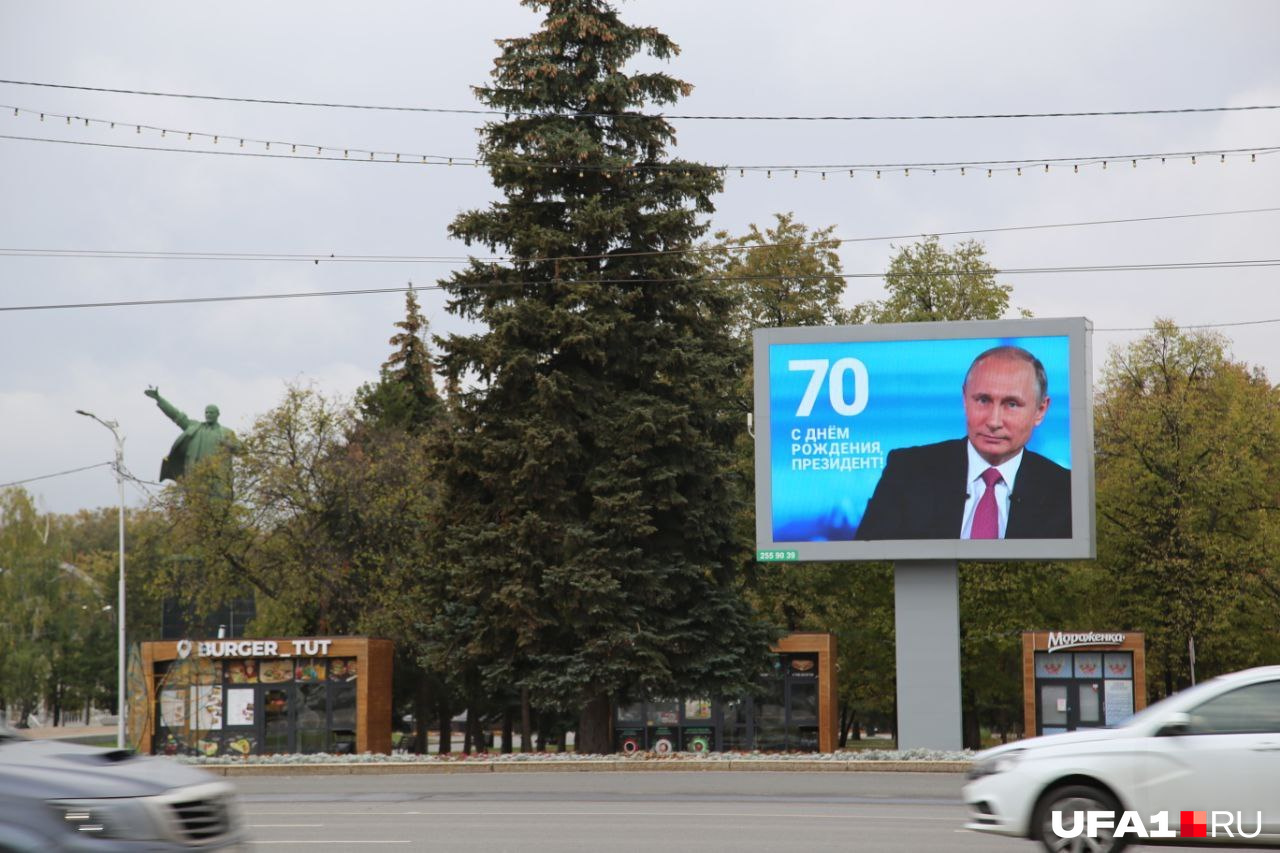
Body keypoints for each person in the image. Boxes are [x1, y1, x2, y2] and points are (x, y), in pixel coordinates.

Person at [854, 345, 1071, 540]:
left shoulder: (1065, 490)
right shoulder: (907, 471)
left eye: (1011, 404)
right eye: (983, 400)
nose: (994, 422)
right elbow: (867, 563)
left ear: (1040, 410)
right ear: (965, 400)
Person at [144, 387, 236, 481]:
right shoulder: (195, 427)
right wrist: (159, 399)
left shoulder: (226, 432)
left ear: (217, 414)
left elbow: (242, 450)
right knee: (194, 495)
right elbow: (176, 415)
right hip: (195, 474)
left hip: (219, 477)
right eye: (206, 412)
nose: (208, 414)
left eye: (211, 413)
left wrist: (232, 445)